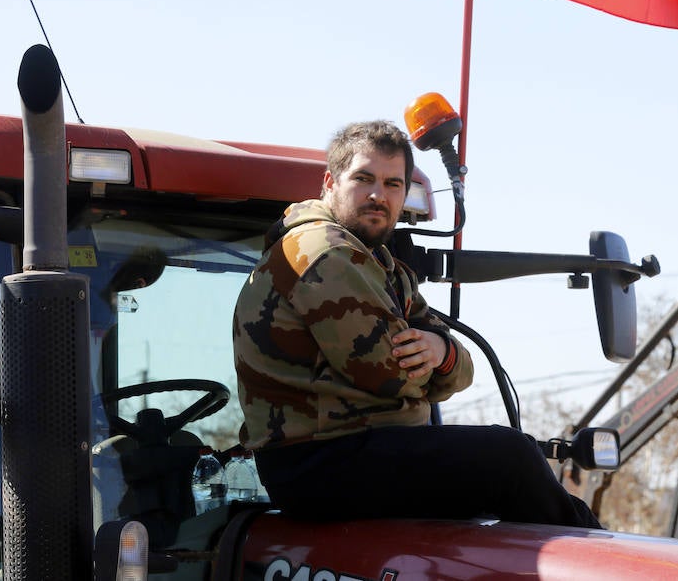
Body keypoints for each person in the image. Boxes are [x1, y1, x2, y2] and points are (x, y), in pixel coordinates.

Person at [232, 120, 601, 528]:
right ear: (330, 183)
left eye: (393, 184)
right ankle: (601, 554)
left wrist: (441, 352)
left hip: (364, 451)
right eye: (364, 179)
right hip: (321, 460)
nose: (378, 195)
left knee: (506, 477)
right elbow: (389, 372)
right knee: (510, 458)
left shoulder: (382, 265)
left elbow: (459, 369)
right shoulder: (324, 251)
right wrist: (434, 363)